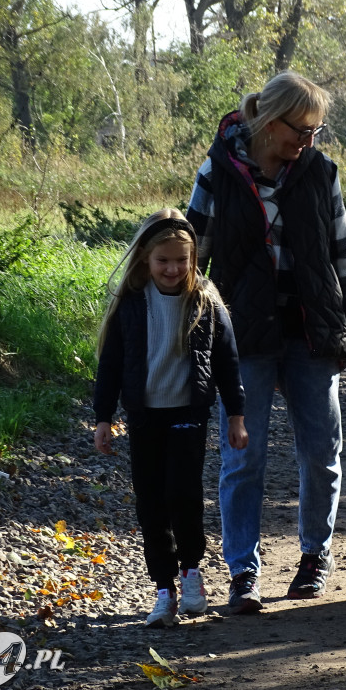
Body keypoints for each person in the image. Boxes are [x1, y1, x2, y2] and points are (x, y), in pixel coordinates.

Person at [186, 70, 346, 615]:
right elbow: (191, 259)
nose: (308, 142)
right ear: (270, 123)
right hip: (242, 336)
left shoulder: (320, 172)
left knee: (321, 451)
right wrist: (183, 331)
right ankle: (242, 571)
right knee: (241, 458)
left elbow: (342, 251)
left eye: (317, 131)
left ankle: (315, 555)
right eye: (302, 130)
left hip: (313, 331)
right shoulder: (216, 173)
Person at [93, 208, 248, 627]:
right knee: (151, 504)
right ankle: (164, 590)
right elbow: (110, 364)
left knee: (183, 496)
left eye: (182, 260)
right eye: (163, 260)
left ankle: (191, 572)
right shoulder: (130, 304)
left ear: (193, 259)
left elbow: (227, 362)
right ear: (146, 258)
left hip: (187, 414)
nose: (173, 268)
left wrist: (236, 414)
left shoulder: (205, 302)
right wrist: (103, 417)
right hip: (145, 419)